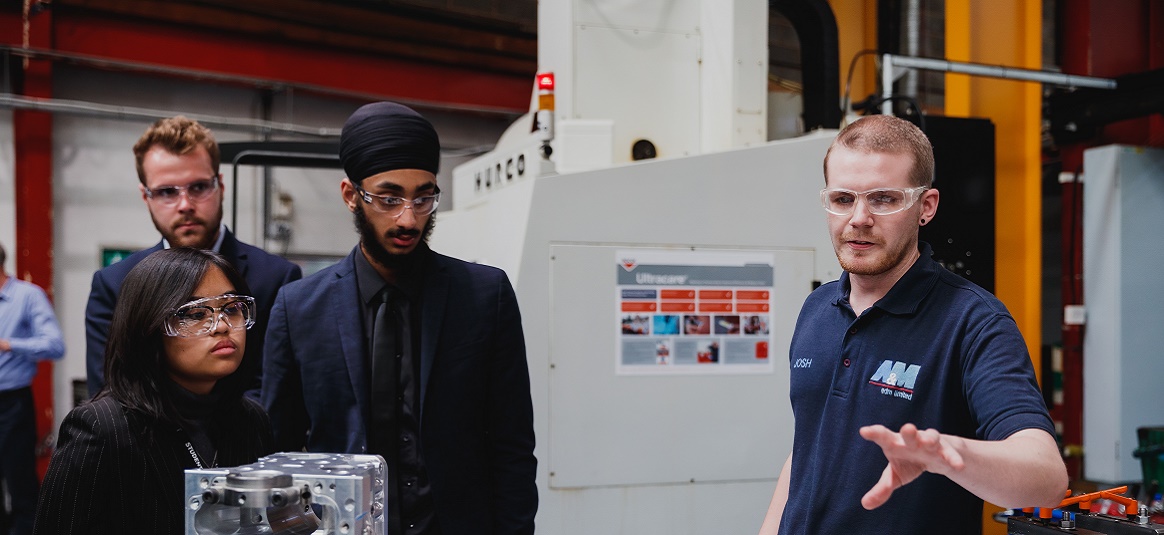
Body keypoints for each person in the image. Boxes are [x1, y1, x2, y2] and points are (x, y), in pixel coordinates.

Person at [757, 115, 1067, 535]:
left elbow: (1046, 478)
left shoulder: (973, 323)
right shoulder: (817, 308)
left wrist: (947, 453)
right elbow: (806, 451)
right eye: (843, 198)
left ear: (926, 207)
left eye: (884, 199)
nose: (859, 218)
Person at [262, 101, 537, 535]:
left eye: (423, 198)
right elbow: (277, 450)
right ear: (351, 196)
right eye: (389, 199)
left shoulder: (485, 296)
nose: (408, 218)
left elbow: (513, 444)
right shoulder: (298, 309)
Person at [35, 247, 273, 535]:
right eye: (195, 313)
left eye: (232, 308)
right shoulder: (101, 429)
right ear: (147, 326)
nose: (222, 326)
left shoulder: (251, 419)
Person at [85, 116, 302, 398]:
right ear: (146, 196)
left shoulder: (276, 279)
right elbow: (110, 394)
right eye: (166, 192)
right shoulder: (114, 284)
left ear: (220, 186)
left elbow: (276, 393)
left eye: (198, 187)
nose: (185, 205)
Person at [0, 242, 65, 535]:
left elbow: (54, 345)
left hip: (11, 403)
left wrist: (10, 344)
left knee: (20, 479)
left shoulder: (28, 296)